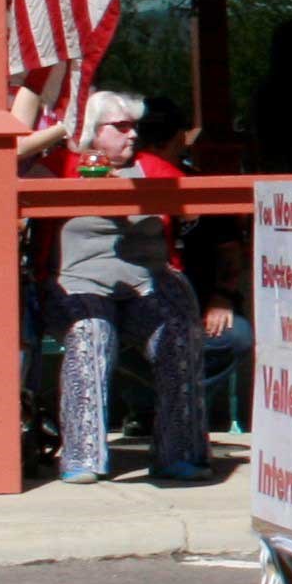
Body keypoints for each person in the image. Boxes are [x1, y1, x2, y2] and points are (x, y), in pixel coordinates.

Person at [47, 88, 211, 487]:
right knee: (91, 333)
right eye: (120, 127)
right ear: (92, 131)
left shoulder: (151, 167)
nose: (132, 135)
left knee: (178, 332)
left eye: (134, 127)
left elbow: (196, 205)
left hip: (143, 285)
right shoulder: (62, 164)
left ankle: (179, 453)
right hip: (78, 283)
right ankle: (82, 457)